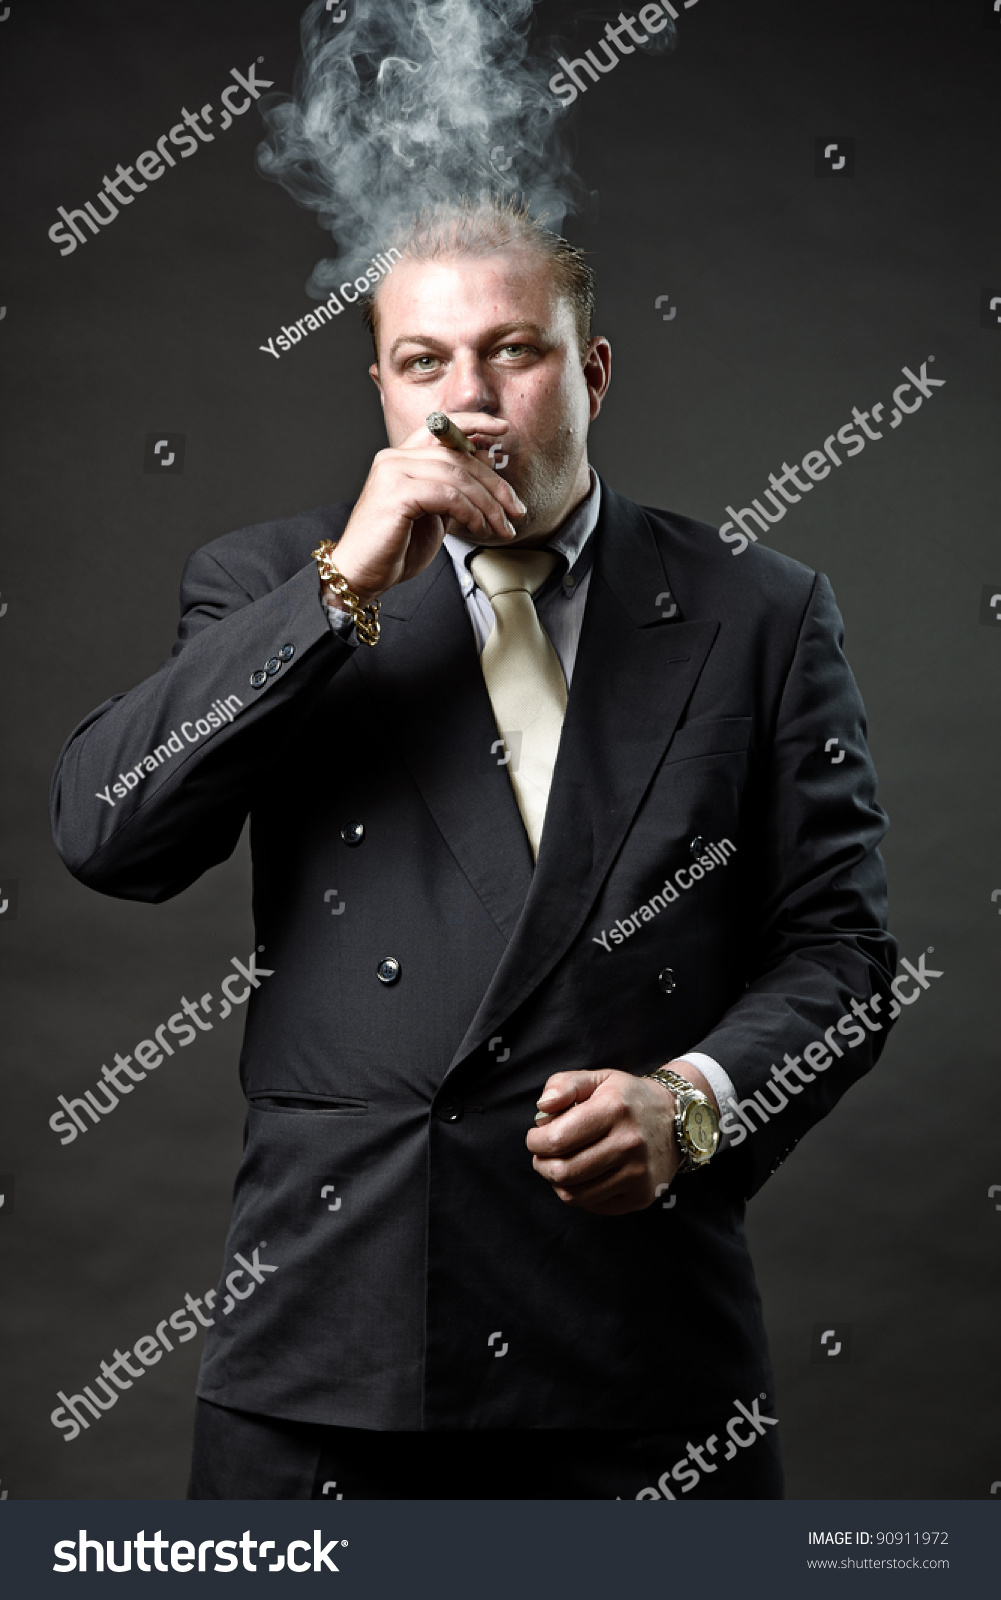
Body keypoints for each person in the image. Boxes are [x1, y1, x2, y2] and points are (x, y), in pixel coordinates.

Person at [50, 198, 895, 1500]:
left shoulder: (757, 608)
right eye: (424, 362)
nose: (471, 400)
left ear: (593, 371)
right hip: (334, 1344)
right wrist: (340, 592)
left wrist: (696, 1102)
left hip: (635, 1344)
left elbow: (839, 952)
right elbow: (109, 835)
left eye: (516, 351)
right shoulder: (272, 580)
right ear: (381, 388)